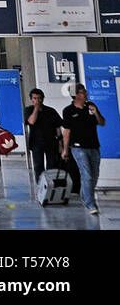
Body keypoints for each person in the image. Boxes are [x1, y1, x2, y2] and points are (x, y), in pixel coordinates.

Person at [61, 84, 106, 215]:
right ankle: (90, 203)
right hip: (78, 147)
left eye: (85, 92)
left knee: (94, 174)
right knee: (87, 175)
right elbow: (67, 131)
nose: (85, 94)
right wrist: (65, 149)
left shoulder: (91, 106)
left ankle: (84, 194)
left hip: (94, 145)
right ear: (75, 95)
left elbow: (102, 122)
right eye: (82, 92)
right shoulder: (68, 110)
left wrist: (96, 112)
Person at [23, 88, 63, 180]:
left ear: (43, 99)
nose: (37, 100)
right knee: (38, 166)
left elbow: (58, 127)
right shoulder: (29, 110)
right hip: (36, 143)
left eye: (39, 98)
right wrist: (36, 109)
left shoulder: (51, 111)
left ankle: (51, 185)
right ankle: (40, 186)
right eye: (35, 98)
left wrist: (61, 144)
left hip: (51, 142)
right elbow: (31, 121)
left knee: (52, 165)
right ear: (32, 99)